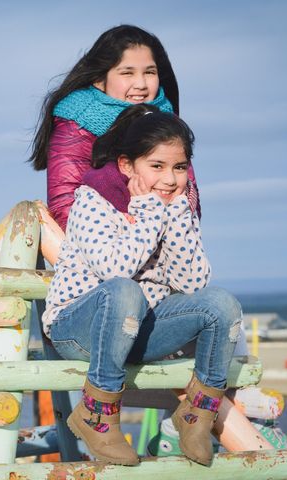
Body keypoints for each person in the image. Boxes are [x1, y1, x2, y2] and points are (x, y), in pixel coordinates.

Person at [42, 104, 242, 466]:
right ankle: (95, 415)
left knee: (221, 304)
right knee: (125, 290)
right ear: (126, 165)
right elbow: (116, 269)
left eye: (179, 168)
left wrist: (177, 215)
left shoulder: (174, 204)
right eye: (157, 166)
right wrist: (149, 212)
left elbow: (193, 282)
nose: (169, 179)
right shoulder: (93, 199)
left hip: (137, 331)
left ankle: (196, 415)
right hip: (79, 330)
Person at [29, 24, 201, 231]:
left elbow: (189, 191)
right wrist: (119, 243)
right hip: (100, 245)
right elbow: (65, 202)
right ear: (100, 79)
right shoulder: (78, 120)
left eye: (149, 72)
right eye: (127, 73)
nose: (141, 84)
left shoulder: (166, 121)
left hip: (165, 242)